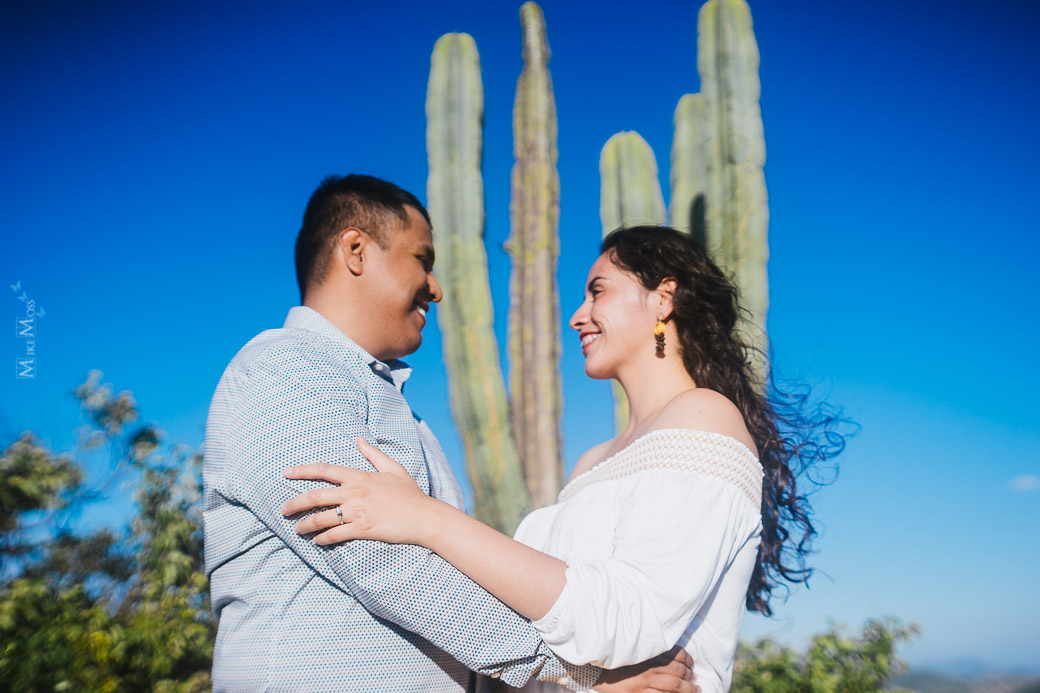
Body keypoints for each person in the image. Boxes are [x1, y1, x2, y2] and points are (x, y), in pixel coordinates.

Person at [281, 225, 838, 692]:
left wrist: (425, 518)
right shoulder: (595, 458)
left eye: (598, 291)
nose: (577, 315)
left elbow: (626, 617)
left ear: (663, 299)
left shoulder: (705, 417)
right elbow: (554, 636)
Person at [203, 176, 698, 692]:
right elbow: (377, 556)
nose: (436, 287)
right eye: (423, 259)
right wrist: (582, 672)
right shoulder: (283, 367)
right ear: (356, 250)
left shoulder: (404, 416)